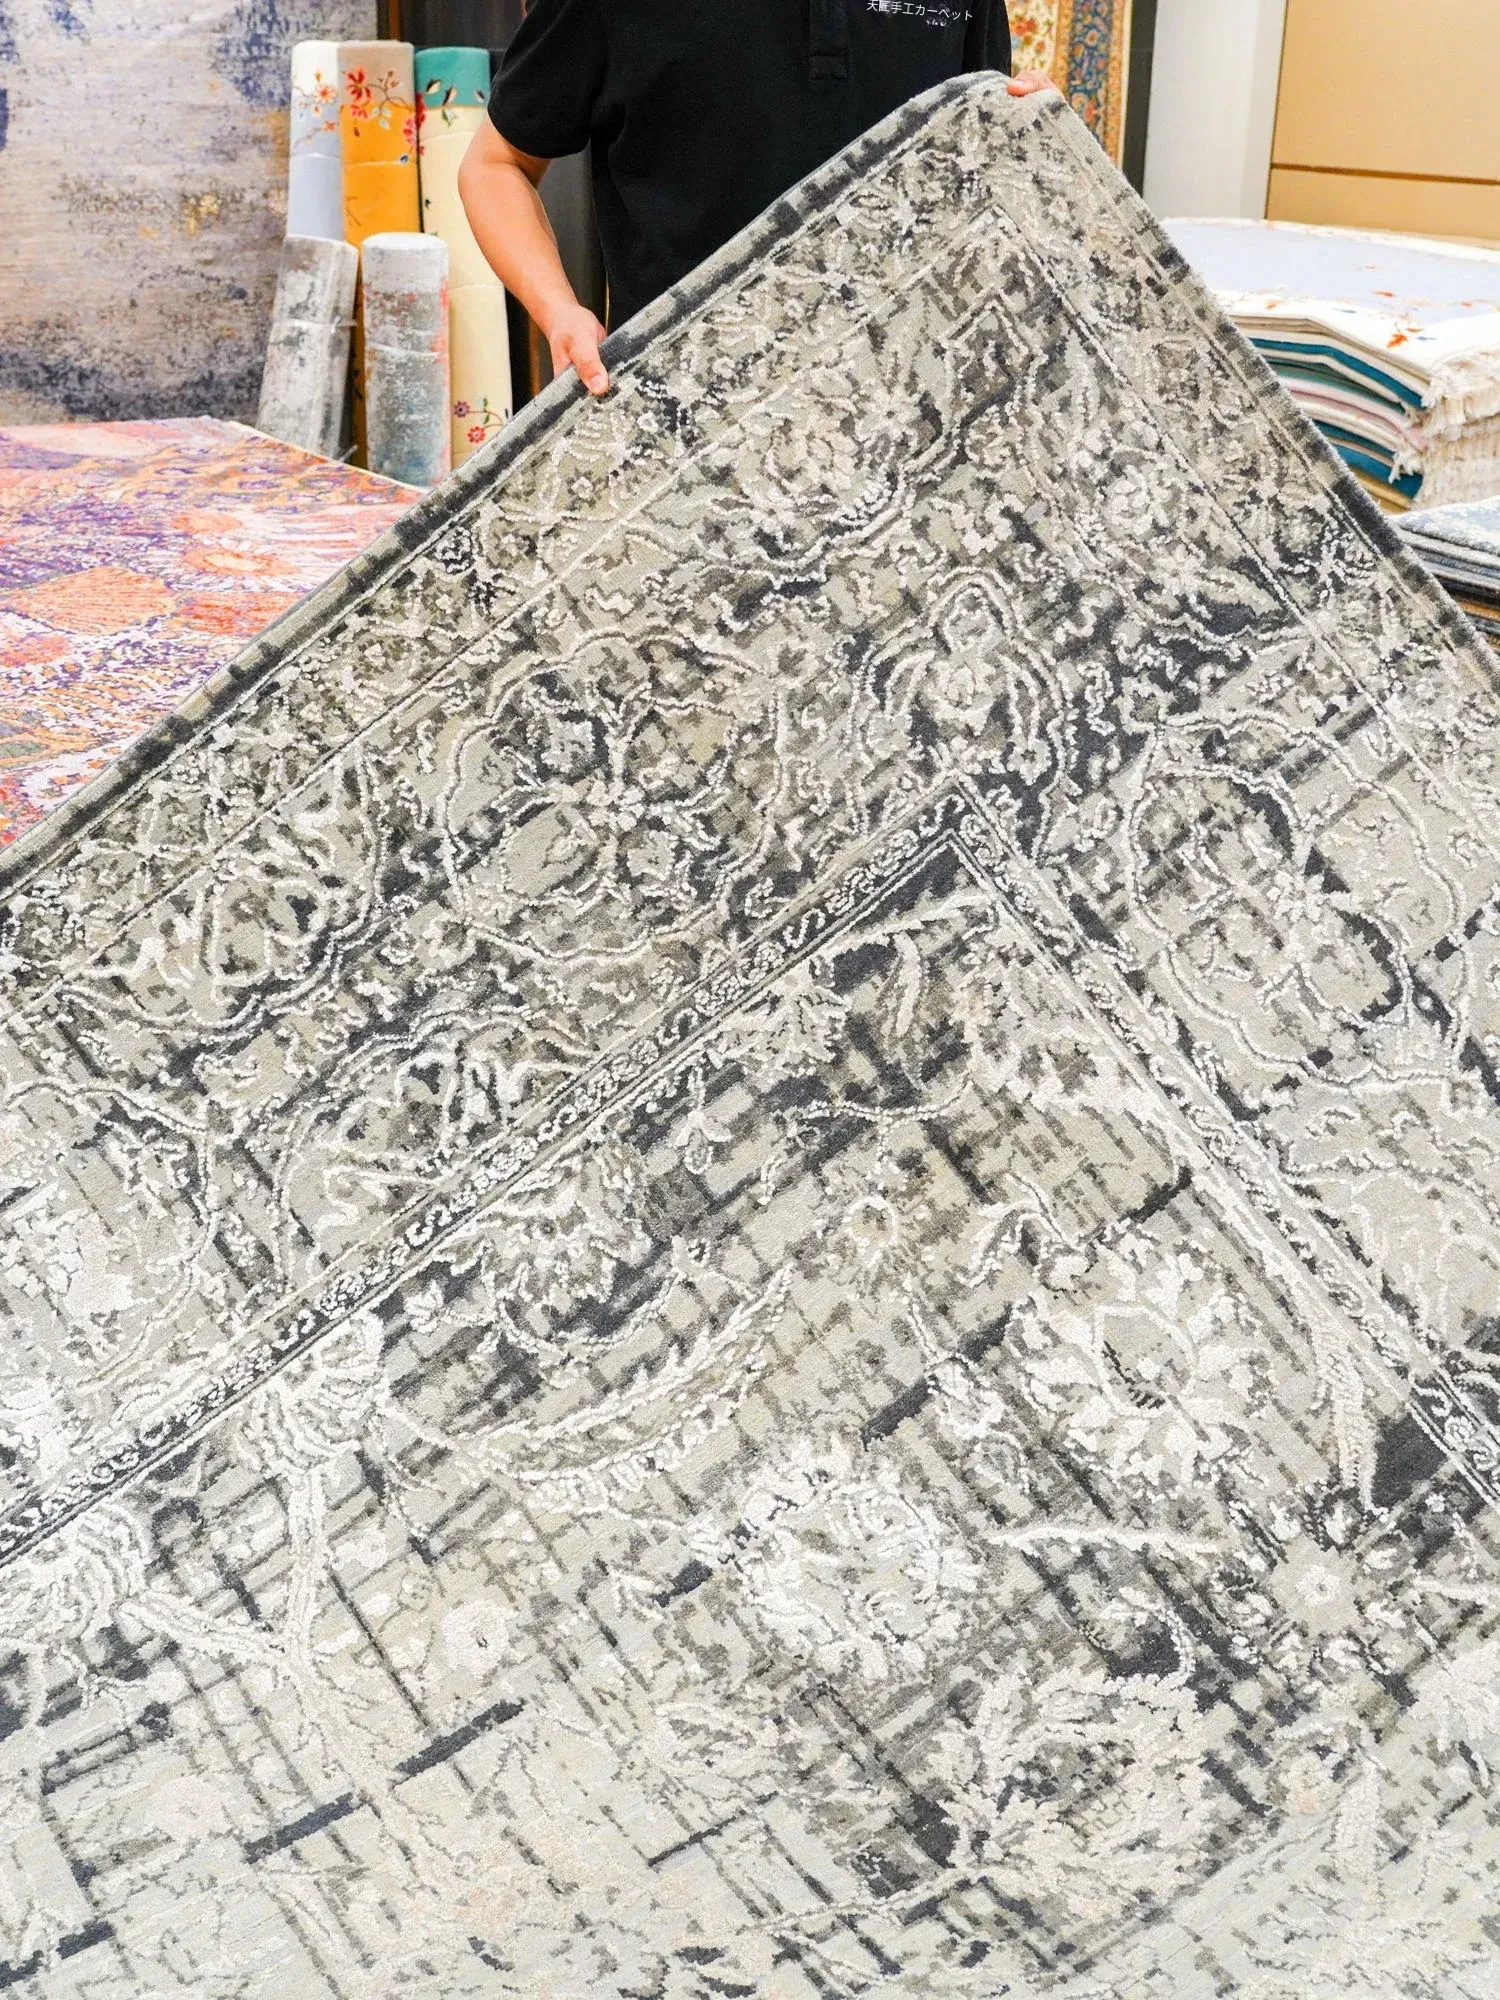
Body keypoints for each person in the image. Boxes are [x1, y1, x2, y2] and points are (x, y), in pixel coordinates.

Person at [458, 1, 1055, 398]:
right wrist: (559, 312)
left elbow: (977, 159)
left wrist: (1033, 123)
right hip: (686, 426)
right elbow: (494, 165)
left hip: (905, 415)